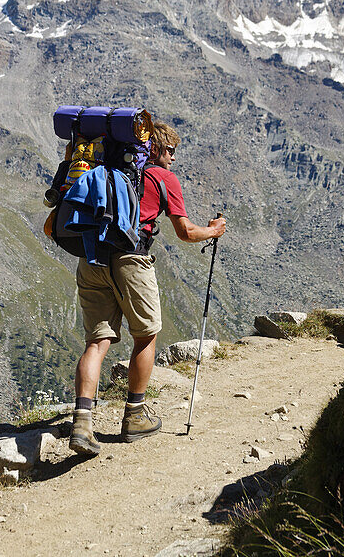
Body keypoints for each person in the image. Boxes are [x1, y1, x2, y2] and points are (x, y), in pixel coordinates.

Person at [69, 120, 227, 455]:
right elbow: (185, 232)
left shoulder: (107, 168)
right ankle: (135, 416)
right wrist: (213, 231)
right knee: (146, 335)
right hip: (131, 259)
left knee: (97, 342)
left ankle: (82, 423)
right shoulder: (162, 178)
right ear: (154, 148)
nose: (173, 158)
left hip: (93, 256)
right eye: (170, 150)